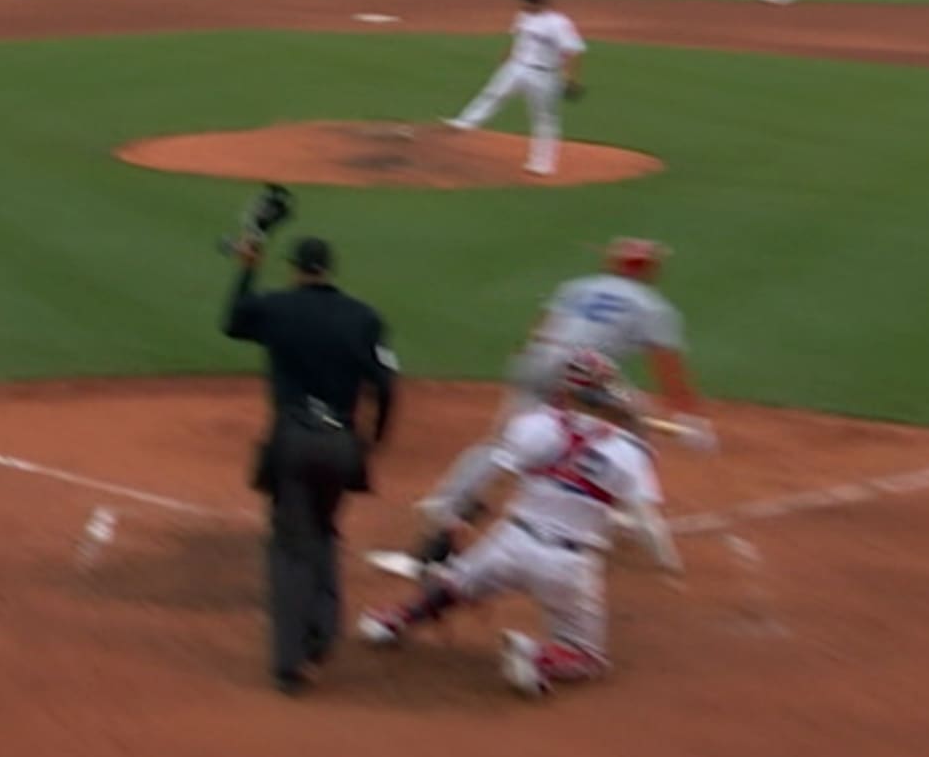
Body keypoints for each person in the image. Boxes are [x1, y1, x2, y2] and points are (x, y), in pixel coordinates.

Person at [356, 349, 679, 700]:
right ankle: (536, 657)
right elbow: (645, 524)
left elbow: (492, 476)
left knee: (457, 583)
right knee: (588, 657)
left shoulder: (535, 426)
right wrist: (662, 557)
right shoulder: (628, 453)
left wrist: (457, 518)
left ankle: (392, 621)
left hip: (511, 540)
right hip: (567, 563)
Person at [408, 236, 711, 569]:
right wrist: (690, 418)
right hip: (590, 374)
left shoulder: (577, 287)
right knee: (636, 419)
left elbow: (539, 330)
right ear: (650, 271)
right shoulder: (652, 306)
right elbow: (667, 366)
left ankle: (446, 502)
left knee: (503, 440)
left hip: (536, 363)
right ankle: (636, 514)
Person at [221, 197, 398, 696]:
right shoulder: (365, 318)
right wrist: (373, 443)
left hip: (294, 441)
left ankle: (291, 661)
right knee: (323, 531)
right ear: (330, 270)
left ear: (296, 270)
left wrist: (247, 264)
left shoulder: (278, 309)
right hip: (342, 443)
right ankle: (321, 633)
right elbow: (385, 387)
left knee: (287, 548)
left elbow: (233, 320)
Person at [446, 0, 587, 176]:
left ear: (538, 2)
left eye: (525, 1)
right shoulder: (523, 16)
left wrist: (570, 78)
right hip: (516, 66)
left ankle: (542, 165)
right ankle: (465, 122)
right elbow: (518, 39)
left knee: (544, 119)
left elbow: (573, 50)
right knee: (493, 93)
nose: (521, 3)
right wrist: (506, 59)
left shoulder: (558, 23)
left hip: (544, 74)